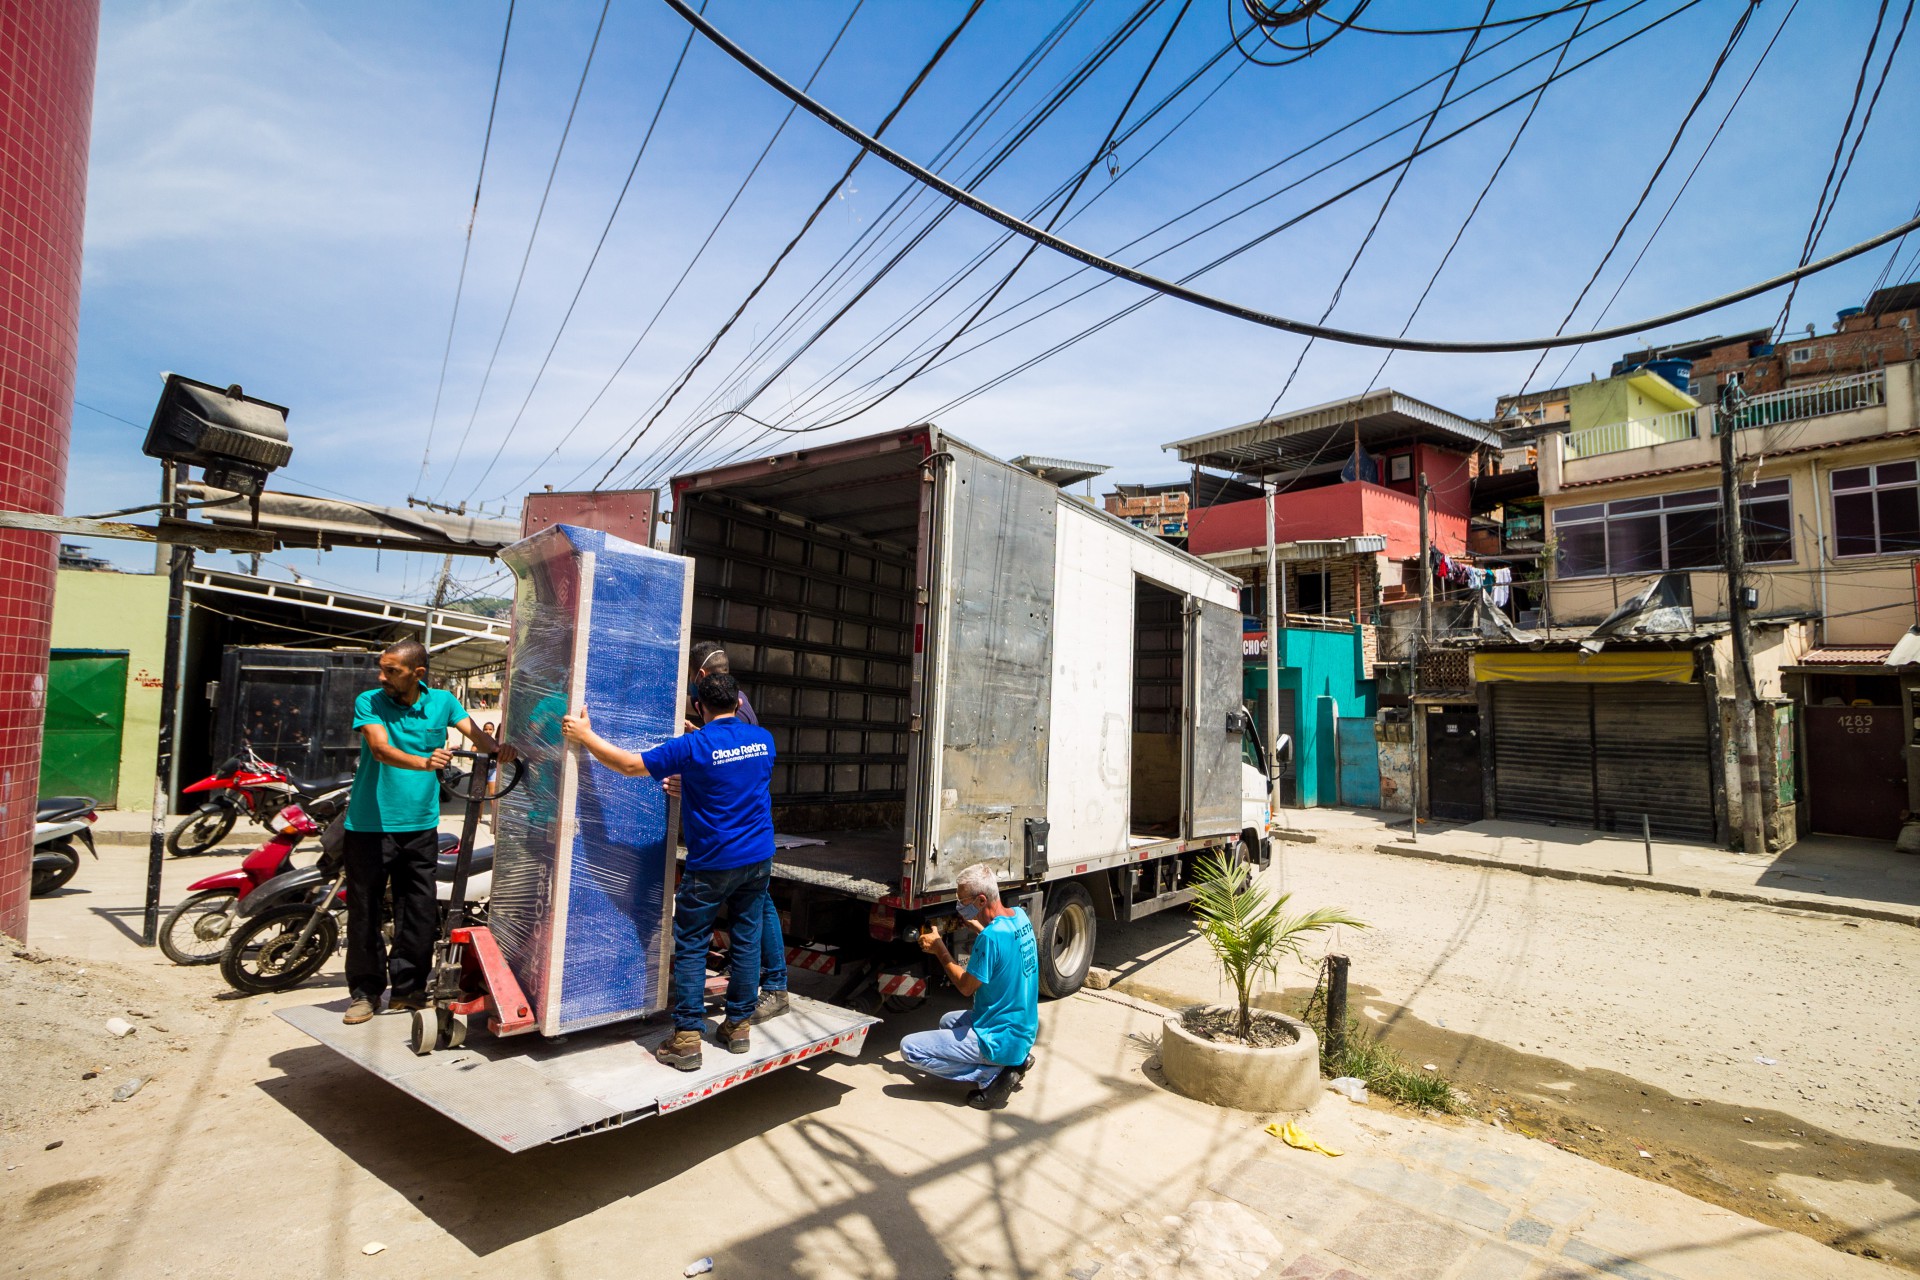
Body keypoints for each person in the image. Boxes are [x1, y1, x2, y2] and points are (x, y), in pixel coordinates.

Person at [562, 671, 775, 1070]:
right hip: (758, 858)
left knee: (693, 943)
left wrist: (584, 736)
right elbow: (732, 770)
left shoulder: (691, 747)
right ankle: (739, 1026)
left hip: (714, 862)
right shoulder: (763, 740)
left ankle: (688, 1037)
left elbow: (628, 766)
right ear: (738, 703)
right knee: (747, 939)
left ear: (699, 705)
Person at [341, 639, 508, 1026]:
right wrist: (423, 761)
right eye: (382, 668)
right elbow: (380, 749)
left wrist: (501, 750)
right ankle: (365, 993)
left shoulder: (443, 702)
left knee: (417, 911)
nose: (382, 677)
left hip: (420, 826)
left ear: (418, 674)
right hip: (369, 826)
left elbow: (478, 737)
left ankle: (408, 991)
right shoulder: (371, 701)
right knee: (364, 911)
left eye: (392, 671)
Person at [683, 641, 788, 1024]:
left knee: (757, 911)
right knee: (753, 913)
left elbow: (730, 767)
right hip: (751, 836)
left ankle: (775, 986)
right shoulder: (736, 701)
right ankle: (747, 1000)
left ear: (699, 677)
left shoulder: (732, 706)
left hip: (738, 834)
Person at [900, 863, 1040, 1109]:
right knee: (947, 1021)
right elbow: (1003, 945)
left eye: (962, 900)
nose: (959, 906)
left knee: (909, 1049)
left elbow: (966, 987)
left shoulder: (990, 938)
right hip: (1022, 1032)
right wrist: (980, 928)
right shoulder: (1020, 916)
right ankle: (1016, 1059)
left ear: (982, 900)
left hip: (999, 1039)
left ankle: (991, 1075)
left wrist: (940, 949)